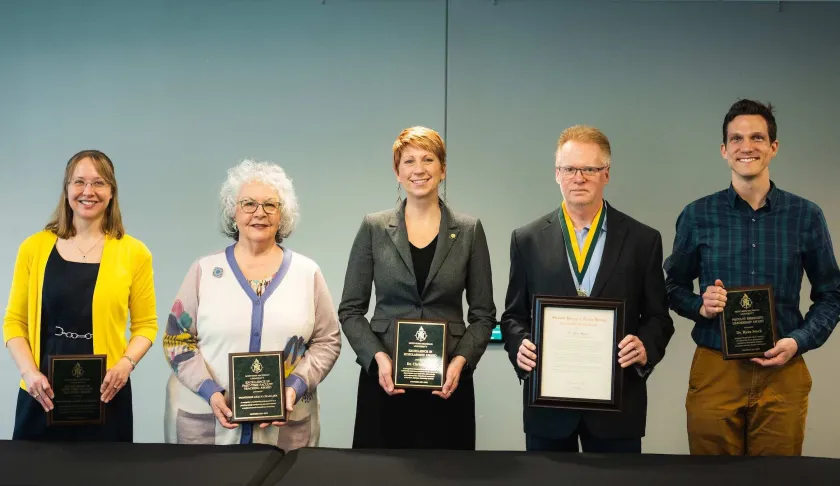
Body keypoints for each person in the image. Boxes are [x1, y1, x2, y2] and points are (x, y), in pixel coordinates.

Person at [663, 99, 840, 456]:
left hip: (783, 366)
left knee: (776, 479)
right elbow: (670, 287)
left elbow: (832, 295)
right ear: (724, 150)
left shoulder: (806, 216)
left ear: (773, 148)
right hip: (716, 368)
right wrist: (701, 306)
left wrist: (800, 340)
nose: (747, 147)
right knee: (712, 480)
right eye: (737, 139)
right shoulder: (698, 215)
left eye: (757, 138)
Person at [500, 125, 674, 453]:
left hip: (618, 405)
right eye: (569, 168)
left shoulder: (643, 241)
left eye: (589, 169)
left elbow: (658, 318)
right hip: (548, 407)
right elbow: (513, 316)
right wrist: (519, 345)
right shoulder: (527, 240)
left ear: (606, 174)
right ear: (556, 174)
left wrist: (645, 347)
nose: (578, 177)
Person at [162, 159, 341, 450]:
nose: (260, 213)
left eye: (271, 205)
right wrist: (210, 391)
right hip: (206, 420)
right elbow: (175, 340)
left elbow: (328, 341)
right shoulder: (205, 270)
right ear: (233, 211)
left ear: (283, 215)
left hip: (286, 424)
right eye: (248, 204)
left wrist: (295, 387)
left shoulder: (307, 273)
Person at [338, 126, 497, 450]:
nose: (419, 169)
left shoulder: (468, 231)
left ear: (443, 169)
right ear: (397, 172)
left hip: (448, 381)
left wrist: (461, 362)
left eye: (428, 159)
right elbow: (350, 310)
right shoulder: (374, 227)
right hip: (384, 379)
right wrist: (377, 357)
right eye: (408, 161)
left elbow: (483, 314)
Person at [3, 149, 158, 442]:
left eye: (99, 183)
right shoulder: (33, 248)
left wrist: (125, 365)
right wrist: (29, 373)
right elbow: (14, 322)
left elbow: (146, 325)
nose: (89, 191)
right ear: (67, 189)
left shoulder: (134, 253)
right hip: (42, 390)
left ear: (112, 192)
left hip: (107, 392)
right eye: (79, 182)